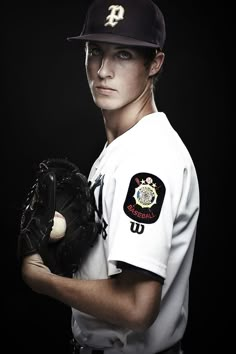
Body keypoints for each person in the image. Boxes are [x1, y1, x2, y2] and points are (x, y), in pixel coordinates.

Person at [21, 0, 200, 353]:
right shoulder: (120, 149)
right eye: (95, 51)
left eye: (123, 55)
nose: (103, 70)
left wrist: (44, 280)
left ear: (155, 64)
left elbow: (137, 306)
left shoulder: (149, 158)